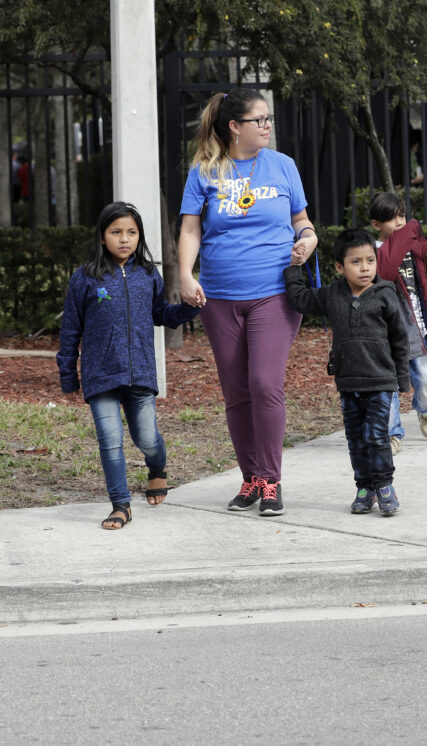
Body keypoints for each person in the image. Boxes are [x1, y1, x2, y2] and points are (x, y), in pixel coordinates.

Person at [177, 88, 318, 518]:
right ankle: (252, 477)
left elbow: (302, 221)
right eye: (260, 119)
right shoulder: (204, 170)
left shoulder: (283, 166)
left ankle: (272, 480)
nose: (268, 125)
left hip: (273, 294)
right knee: (237, 393)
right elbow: (190, 230)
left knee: (264, 385)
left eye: (269, 118)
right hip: (219, 297)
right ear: (235, 126)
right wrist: (185, 273)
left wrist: (308, 239)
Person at [57, 202, 200, 530]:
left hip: (139, 373)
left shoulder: (148, 273)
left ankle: (157, 469)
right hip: (100, 375)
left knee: (147, 437)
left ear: (139, 236)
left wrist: (190, 309)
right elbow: (70, 331)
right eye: (116, 232)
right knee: (110, 439)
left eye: (131, 232)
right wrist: (67, 375)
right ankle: (120, 505)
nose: (125, 239)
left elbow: (161, 314)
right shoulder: (85, 278)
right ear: (102, 236)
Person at [284, 229, 409, 516]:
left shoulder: (385, 294)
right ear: (340, 267)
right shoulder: (332, 294)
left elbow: (400, 339)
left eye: (369, 260)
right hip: (349, 383)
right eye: (356, 262)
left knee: (377, 435)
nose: (365, 267)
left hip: (380, 381)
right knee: (355, 438)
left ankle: (385, 486)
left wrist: (401, 379)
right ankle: (364, 488)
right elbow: (301, 299)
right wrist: (294, 268)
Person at [368, 192, 427, 454]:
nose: (400, 222)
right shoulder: (372, 251)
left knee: (425, 378)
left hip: (415, 327)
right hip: (386, 332)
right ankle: (393, 435)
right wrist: (410, 230)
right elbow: (384, 270)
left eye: (402, 216)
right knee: (391, 385)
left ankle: (424, 408)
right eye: (392, 218)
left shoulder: (412, 246)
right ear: (375, 224)